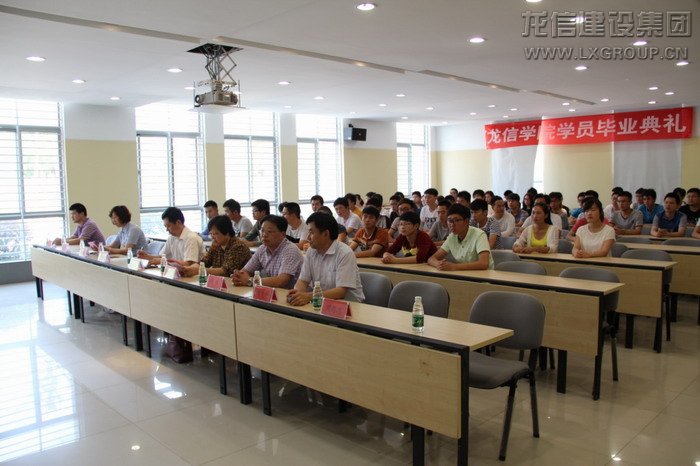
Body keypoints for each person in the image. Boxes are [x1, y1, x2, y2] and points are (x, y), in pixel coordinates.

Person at [287, 212, 364, 305]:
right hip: (321, 301)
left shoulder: (345, 253)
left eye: (311, 232)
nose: (308, 238)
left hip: (349, 305)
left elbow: (340, 291)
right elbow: (303, 281)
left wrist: (309, 296)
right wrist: (297, 293)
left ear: (326, 234)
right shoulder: (311, 251)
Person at [231, 215, 304, 289]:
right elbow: (246, 271)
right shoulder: (262, 249)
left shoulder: (290, 250)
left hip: (291, 293)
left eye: (270, 231)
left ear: (283, 234)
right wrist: (238, 277)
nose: (264, 235)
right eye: (262, 231)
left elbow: (281, 281)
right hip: (273, 292)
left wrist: (250, 281)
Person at [427, 204, 493, 270]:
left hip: (485, 275)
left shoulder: (479, 235)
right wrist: (439, 264)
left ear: (466, 221)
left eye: (456, 220)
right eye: (450, 220)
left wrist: (454, 266)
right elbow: (431, 259)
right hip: (463, 274)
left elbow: (484, 263)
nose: (452, 224)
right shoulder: (451, 237)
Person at [180, 215, 250, 277]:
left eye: (215, 234)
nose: (212, 237)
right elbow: (204, 262)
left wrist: (199, 270)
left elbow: (226, 271)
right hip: (219, 282)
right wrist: (189, 269)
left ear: (227, 233)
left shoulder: (238, 246)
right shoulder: (216, 245)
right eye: (211, 234)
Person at [138, 207, 205, 266]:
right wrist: (147, 256)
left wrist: (164, 261)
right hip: (177, 273)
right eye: (165, 226)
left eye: (169, 226)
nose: (167, 230)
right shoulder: (171, 238)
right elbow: (162, 257)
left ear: (178, 222)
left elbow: (188, 264)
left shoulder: (191, 238)